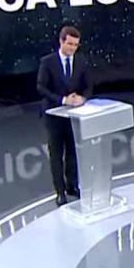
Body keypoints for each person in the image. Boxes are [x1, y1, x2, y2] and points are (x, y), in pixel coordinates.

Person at [36, 24, 93, 206]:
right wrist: (63, 100)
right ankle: (60, 192)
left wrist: (82, 98)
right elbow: (41, 87)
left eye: (76, 45)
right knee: (56, 154)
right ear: (61, 41)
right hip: (53, 115)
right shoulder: (48, 62)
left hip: (74, 115)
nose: (72, 48)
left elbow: (88, 85)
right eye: (69, 44)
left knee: (73, 152)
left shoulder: (81, 61)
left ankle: (72, 186)